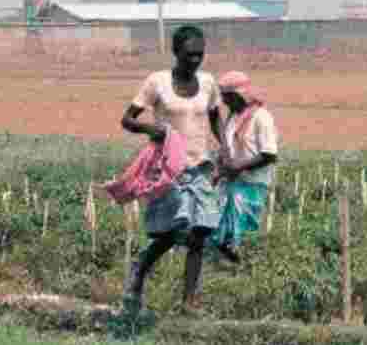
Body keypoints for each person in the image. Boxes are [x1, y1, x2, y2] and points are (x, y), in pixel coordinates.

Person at [119, 24, 222, 316]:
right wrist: (152, 129)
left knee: (200, 231)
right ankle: (140, 270)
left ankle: (189, 302)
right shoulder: (158, 82)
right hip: (168, 168)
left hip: (199, 166)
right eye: (190, 54)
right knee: (173, 231)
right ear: (176, 52)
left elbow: (215, 118)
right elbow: (127, 120)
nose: (195, 60)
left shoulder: (208, 83)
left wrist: (225, 148)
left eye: (200, 54)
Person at [208, 70, 279, 264]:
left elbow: (269, 154)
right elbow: (226, 146)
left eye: (227, 97)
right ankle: (228, 267)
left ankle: (243, 266)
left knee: (241, 232)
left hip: (252, 183)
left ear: (239, 95)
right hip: (232, 181)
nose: (225, 102)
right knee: (221, 231)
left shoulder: (261, 117)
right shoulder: (233, 117)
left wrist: (238, 168)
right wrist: (221, 169)